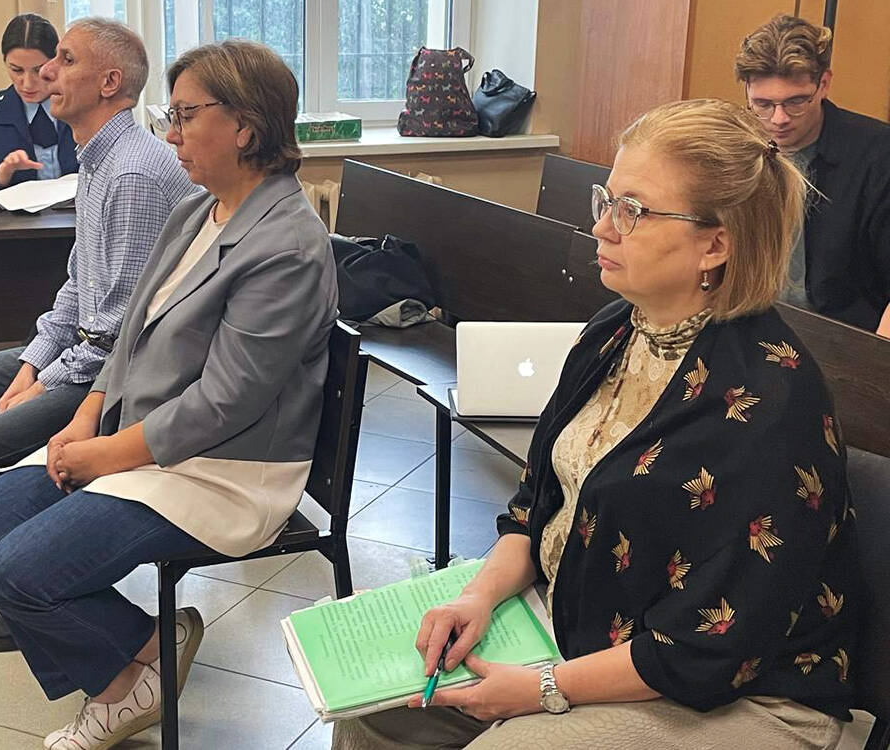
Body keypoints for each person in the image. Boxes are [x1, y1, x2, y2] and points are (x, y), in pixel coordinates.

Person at [333, 99, 856, 749]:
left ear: (715, 244)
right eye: (606, 200)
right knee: (373, 709)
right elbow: (536, 507)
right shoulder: (615, 331)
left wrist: (542, 686)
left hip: (738, 696)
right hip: (595, 634)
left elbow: (706, 648)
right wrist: (476, 598)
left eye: (632, 210)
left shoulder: (768, 402)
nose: (602, 227)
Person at [0, 38, 337, 750]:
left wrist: (105, 455)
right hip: (145, 437)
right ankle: (149, 647)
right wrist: (87, 415)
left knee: (18, 571)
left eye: (186, 116)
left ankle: (121, 690)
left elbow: (226, 403)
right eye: (171, 115)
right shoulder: (198, 212)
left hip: (225, 468)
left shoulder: (287, 243)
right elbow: (129, 333)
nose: (171, 134)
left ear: (245, 127)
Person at [0, 17, 198, 649]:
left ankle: (36, 583)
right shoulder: (97, 159)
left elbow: (117, 332)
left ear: (108, 82)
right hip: (85, 352)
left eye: (64, 60)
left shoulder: (131, 173)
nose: (46, 72)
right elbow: (79, 285)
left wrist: (44, 381)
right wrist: (30, 367)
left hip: (114, 375)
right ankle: (10, 563)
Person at [735, 14, 890, 336]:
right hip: (749, 322)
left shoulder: (878, 153)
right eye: (763, 104)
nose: (779, 119)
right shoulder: (735, 145)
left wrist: (877, 356)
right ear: (747, 89)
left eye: (796, 102)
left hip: (844, 334)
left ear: (824, 84)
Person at [0, 14, 78, 193]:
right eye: (17, 70)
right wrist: (2, 174)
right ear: (5, 62)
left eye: (38, 70)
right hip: (18, 212)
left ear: (56, 61)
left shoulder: (81, 105)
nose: (27, 84)